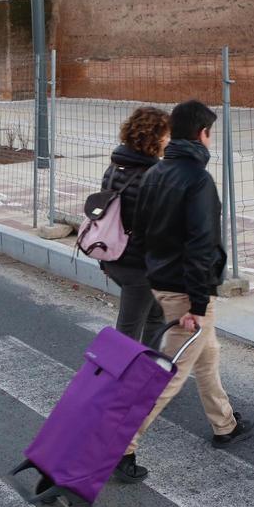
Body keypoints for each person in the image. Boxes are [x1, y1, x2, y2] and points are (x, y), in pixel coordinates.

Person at [113, 100, 254, 484]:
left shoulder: (156, 172)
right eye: (211, 133)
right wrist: (196, 302)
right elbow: (201, 246)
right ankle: (120, 445)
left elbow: (140, 232)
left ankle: (224, 424)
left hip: (161, 283)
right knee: (168, 374)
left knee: (207, 353)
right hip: (186, 292)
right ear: (203, 134)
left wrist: (159, 277)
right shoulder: (197, 180)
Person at [100, 106, 170, 345]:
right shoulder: (153, 176)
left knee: (156, 317)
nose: (169, 140)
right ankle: (112, 380)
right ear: (154, 137)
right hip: (138, 268)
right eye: (166, 135)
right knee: (127, 334)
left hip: (114, 258)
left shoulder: (115, 166)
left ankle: (147, 375)